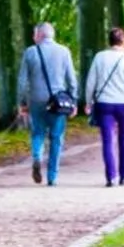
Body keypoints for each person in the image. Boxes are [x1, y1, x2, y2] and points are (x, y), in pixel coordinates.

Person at [82, 27, 124, 187]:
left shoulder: (99, 57)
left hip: (105, 104)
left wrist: (88, 102)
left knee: (107, 141)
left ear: (109, 41)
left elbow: (91, 82)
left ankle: (111, 177)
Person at [16, 22, 78, 187]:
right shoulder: (64, 52)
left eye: (34, 34)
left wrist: (22, 103)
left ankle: (37, 157)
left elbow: (22, 81)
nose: (33, 37)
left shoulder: (30, 52)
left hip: (36, 101)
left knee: (37, 133)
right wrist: (73, 101)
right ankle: (52, 177)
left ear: (40, 35)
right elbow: (72, 80)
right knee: (56, 138)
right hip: (58, 103)